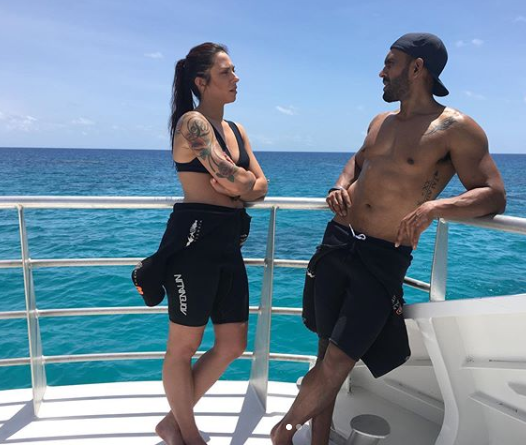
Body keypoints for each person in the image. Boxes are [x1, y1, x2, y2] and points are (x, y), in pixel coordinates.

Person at [271, 33, 506, 445]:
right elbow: (358, 161)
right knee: (325, 353)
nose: (381, 72)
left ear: (417, 68)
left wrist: (435, 208)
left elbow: (494, 194)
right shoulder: (380, 122)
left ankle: (282, 433)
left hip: (382, 256)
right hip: (337, 241)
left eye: (390, 63)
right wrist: (339, 184)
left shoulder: (456, 129)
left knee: (339, 360)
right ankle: (315, 440)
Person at [132, 42, 268, 445]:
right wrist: (242, 183)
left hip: (228, 243)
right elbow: (236, 179)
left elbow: (258, 185)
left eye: (234, 70)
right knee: (183, 346)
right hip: (192, 244)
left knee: (233, 343)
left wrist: (242, 184)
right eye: (226, 72)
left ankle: (171, 423)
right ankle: (187, 435)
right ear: (201, 81)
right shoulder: (192, 123)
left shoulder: (237, 131)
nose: (236, 78)